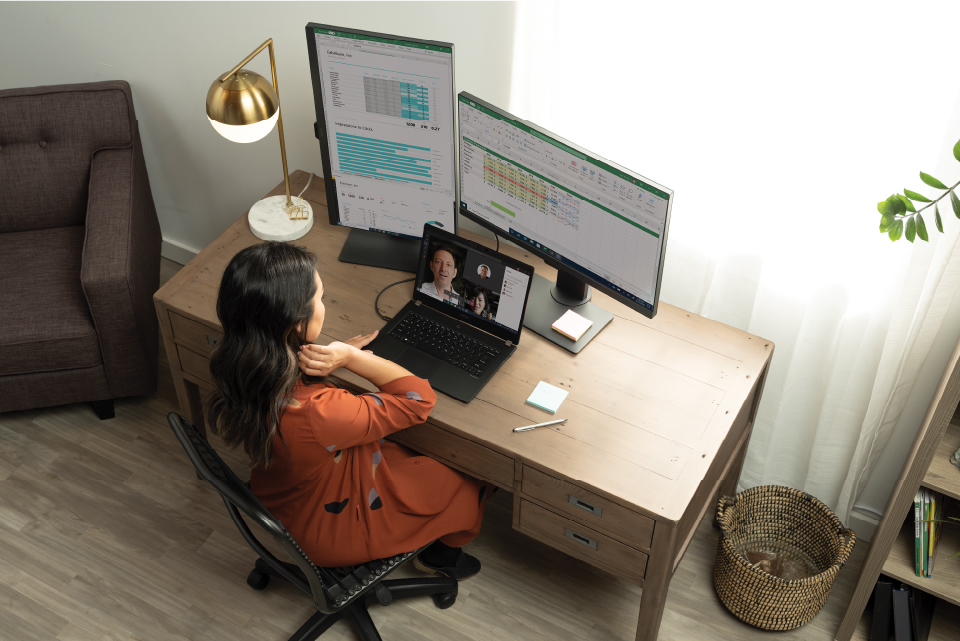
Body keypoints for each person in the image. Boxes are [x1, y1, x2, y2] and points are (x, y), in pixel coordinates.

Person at [207, 241, 491, 578]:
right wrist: (354, 360)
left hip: (282, 498)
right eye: (320, 298)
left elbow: (302, 412)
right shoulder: (319, 413)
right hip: (326, 530)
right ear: (296, 323)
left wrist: (329, 359)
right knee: (470, 477)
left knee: (413, 460)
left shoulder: (239, 363)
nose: (323, 306)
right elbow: (419, 400)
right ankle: (441, 558)